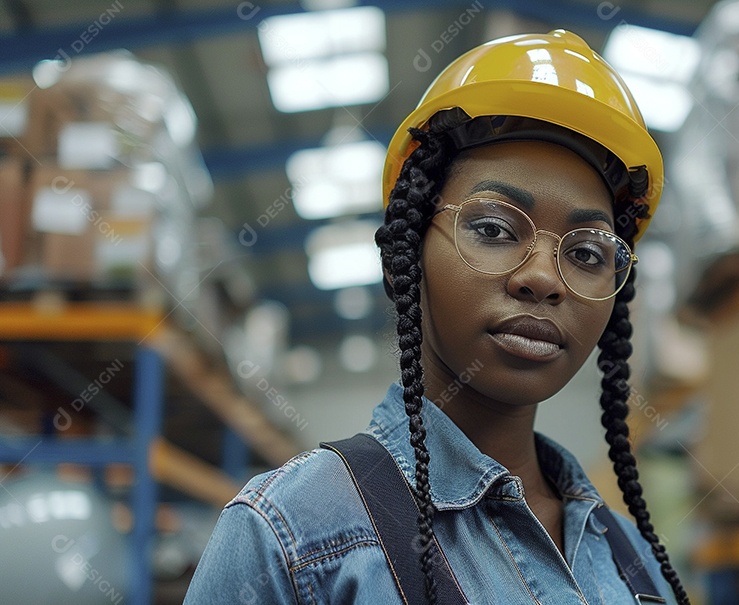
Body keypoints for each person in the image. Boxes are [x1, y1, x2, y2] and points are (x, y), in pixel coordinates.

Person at [184, 29, 689, 604]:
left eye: (586, 254)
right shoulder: (291, 535)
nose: (546, 278)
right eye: (494, 229)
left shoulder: (634, 561)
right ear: (403, 263)